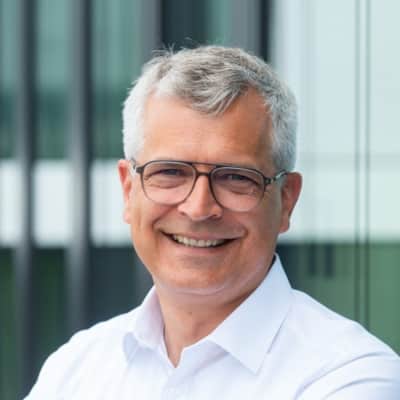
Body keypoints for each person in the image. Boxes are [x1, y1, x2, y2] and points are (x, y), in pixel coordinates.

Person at [25, 45, 400, 399]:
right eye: (170, 172)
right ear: (128, 190)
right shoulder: (75, 368)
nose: (199, 208)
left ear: (287, 200)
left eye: (235, 177)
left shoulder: (352, 375)